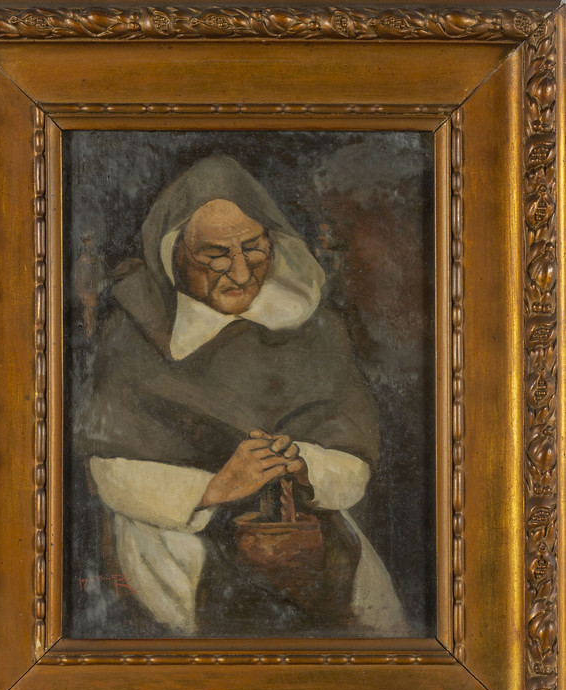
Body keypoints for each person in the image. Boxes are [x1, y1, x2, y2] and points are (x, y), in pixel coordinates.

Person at [78, 155, 409, 637]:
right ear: (174, 255)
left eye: (253, 248)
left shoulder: (316, 328)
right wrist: (217, 487)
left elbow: (352, 455)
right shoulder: (133, 332)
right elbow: (109, 470)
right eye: (215, 254)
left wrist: (302, 465)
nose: (239, 273)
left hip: (303, 524)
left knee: (370, 610)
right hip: (171, 525)